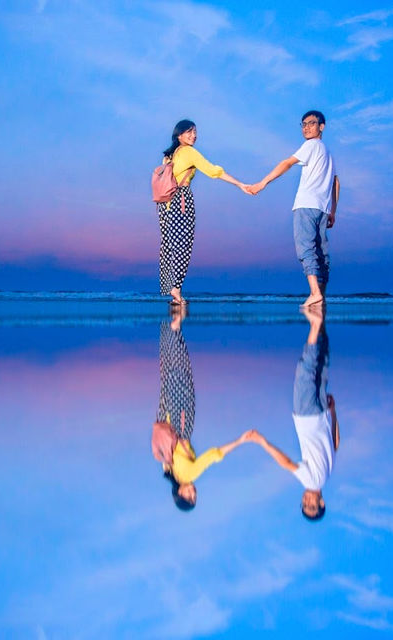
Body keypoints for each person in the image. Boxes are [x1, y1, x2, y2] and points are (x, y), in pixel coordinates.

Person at [151, 305, 255, 511]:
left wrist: (240, 441)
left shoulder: (186, 475)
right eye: (194, 496)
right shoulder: (168, 470)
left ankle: (175, 325)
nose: (193, 493)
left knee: (182, 373)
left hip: (180, 425)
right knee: (169, 374)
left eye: (189, 496)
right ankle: (168, 326)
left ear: (179, 493)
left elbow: (213, 456)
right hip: (165, 418)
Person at [246, 305, 339, 520]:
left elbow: (335, 444)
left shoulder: (327, 474)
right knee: (305, 371)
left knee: (320, 367)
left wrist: (333, 413)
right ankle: (315, 323)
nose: (307, 501)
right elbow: (287, 463)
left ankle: (320, 318)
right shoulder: (312, 481)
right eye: (312, 505)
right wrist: (261, 441)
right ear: (321, 502)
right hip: (307, 416)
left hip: (323, 412)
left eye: (304, 505)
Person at [247, 110, 340, 307]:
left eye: (311, 123)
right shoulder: (327, 152)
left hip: (306, 205)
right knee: (321, 252)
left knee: (305, 248)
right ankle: (320, 297)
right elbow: (336, 182)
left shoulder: (311, 145)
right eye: (303, 124)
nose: (306, 127)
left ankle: (315, 293)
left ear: (321, 127)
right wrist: (332, 211)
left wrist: (262, 183)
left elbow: (287, 163)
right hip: (322, 209)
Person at [158, 119, 251, 306]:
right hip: (181, 201)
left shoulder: (168, 156)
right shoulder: (189, 152)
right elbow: (213, 171)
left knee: (169, 246)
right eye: (189, 132)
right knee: (183, 246)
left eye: (195, 132)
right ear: (179, 134)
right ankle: (176, 289)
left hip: (163, 204)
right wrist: (239, 183)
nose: (194, 135)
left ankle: (172, 289)